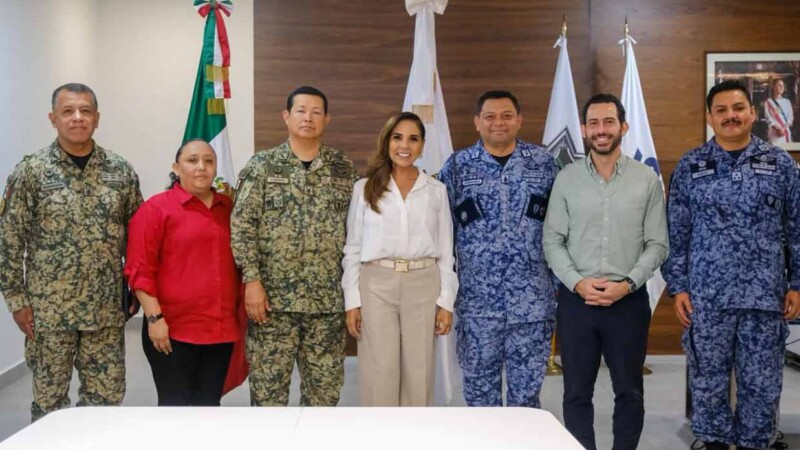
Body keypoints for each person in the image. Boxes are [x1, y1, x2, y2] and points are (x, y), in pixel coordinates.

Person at [663, 80, 800, 450]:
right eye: (721, 110)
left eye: (738, 108)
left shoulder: (781, 165)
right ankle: (712, 441)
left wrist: (797, 283)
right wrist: (678, 287)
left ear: (753, 113)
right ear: (710, 117)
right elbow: (677, 231)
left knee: (762, 381)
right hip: (708, 298)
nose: (731, 116)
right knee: (707, 379)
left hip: (765, 297)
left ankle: (758, 440)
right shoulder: (692, 166)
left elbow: (797, 227)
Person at [0, 83, 142, 421]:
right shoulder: (31, 172)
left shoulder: (119, 171)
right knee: (50, 407)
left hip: (105, 311)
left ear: (97, 118)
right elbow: (8, 240)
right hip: (49, 313)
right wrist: (16, 301)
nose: (77, 118)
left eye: (85, 111)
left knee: (105, 403)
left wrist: (137, 287)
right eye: (68, 111)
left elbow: (139, 238)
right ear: (53, 118)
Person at [543, 93, 668, 450]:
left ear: (623, 127)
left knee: (629, 390)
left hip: (627, 303)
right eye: (594, 123)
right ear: (583, 130)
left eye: (608, 122)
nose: (601, 130)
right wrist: (578, 283)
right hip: (576, 302)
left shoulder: (646, 180)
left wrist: (627, 284)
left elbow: (658, 243)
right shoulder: (566, 179)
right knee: (576, 391)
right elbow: (553, 241)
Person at [231, 86, 358, 406]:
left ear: (327, 119)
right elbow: (242, 225)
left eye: (316, 112)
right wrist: (251, 280)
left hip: (326, 304)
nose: (308, 118)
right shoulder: (263, 165)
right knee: (268, 397)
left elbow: (357, 232)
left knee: (323, 397)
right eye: (301, 110)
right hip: (272, 303)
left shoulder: (343, 168)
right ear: (286, 117)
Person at [437, 90, 559, 408]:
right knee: (479, 400)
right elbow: (439, 229)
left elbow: (563, 228)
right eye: (490, 116)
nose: (498, 123)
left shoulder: (545, 164)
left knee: (525, 399)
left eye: (507, 115)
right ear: (477, 123)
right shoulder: (457, 167)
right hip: (477, 307)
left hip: (531, 307)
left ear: (519, 120)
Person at [341, 112, 457, 406]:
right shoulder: (364, 188)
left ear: (421, 146)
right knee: (380, 370)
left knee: (419, 370)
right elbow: (353, 247)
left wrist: (446, 301)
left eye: (413, 139)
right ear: (387, 142)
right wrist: (352, 300)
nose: (404, 145)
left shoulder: (436, 191)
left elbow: (446, 250)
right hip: (376, 284)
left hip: (423, 283)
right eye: (398, 137)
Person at [124, 139, 241, 406]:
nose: (201, 167)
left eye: (209, 161)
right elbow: (139, 269)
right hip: (171, 330)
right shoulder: (155, 209)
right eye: (192, 161)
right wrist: (154, 319)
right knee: (174, 409)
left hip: (220, 331)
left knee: (208, 406)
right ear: (176, 168)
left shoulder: (230, 209)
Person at [764, 78, 794, 144]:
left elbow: (790, 117)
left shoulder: (787, 102)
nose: (781, 87)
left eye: (783, 86)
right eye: (779, 85)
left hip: (785, 132)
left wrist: (784, 128)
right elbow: (768, 118)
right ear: (773, 87)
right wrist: (777, 128)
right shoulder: (768, 102)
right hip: (774, 133)